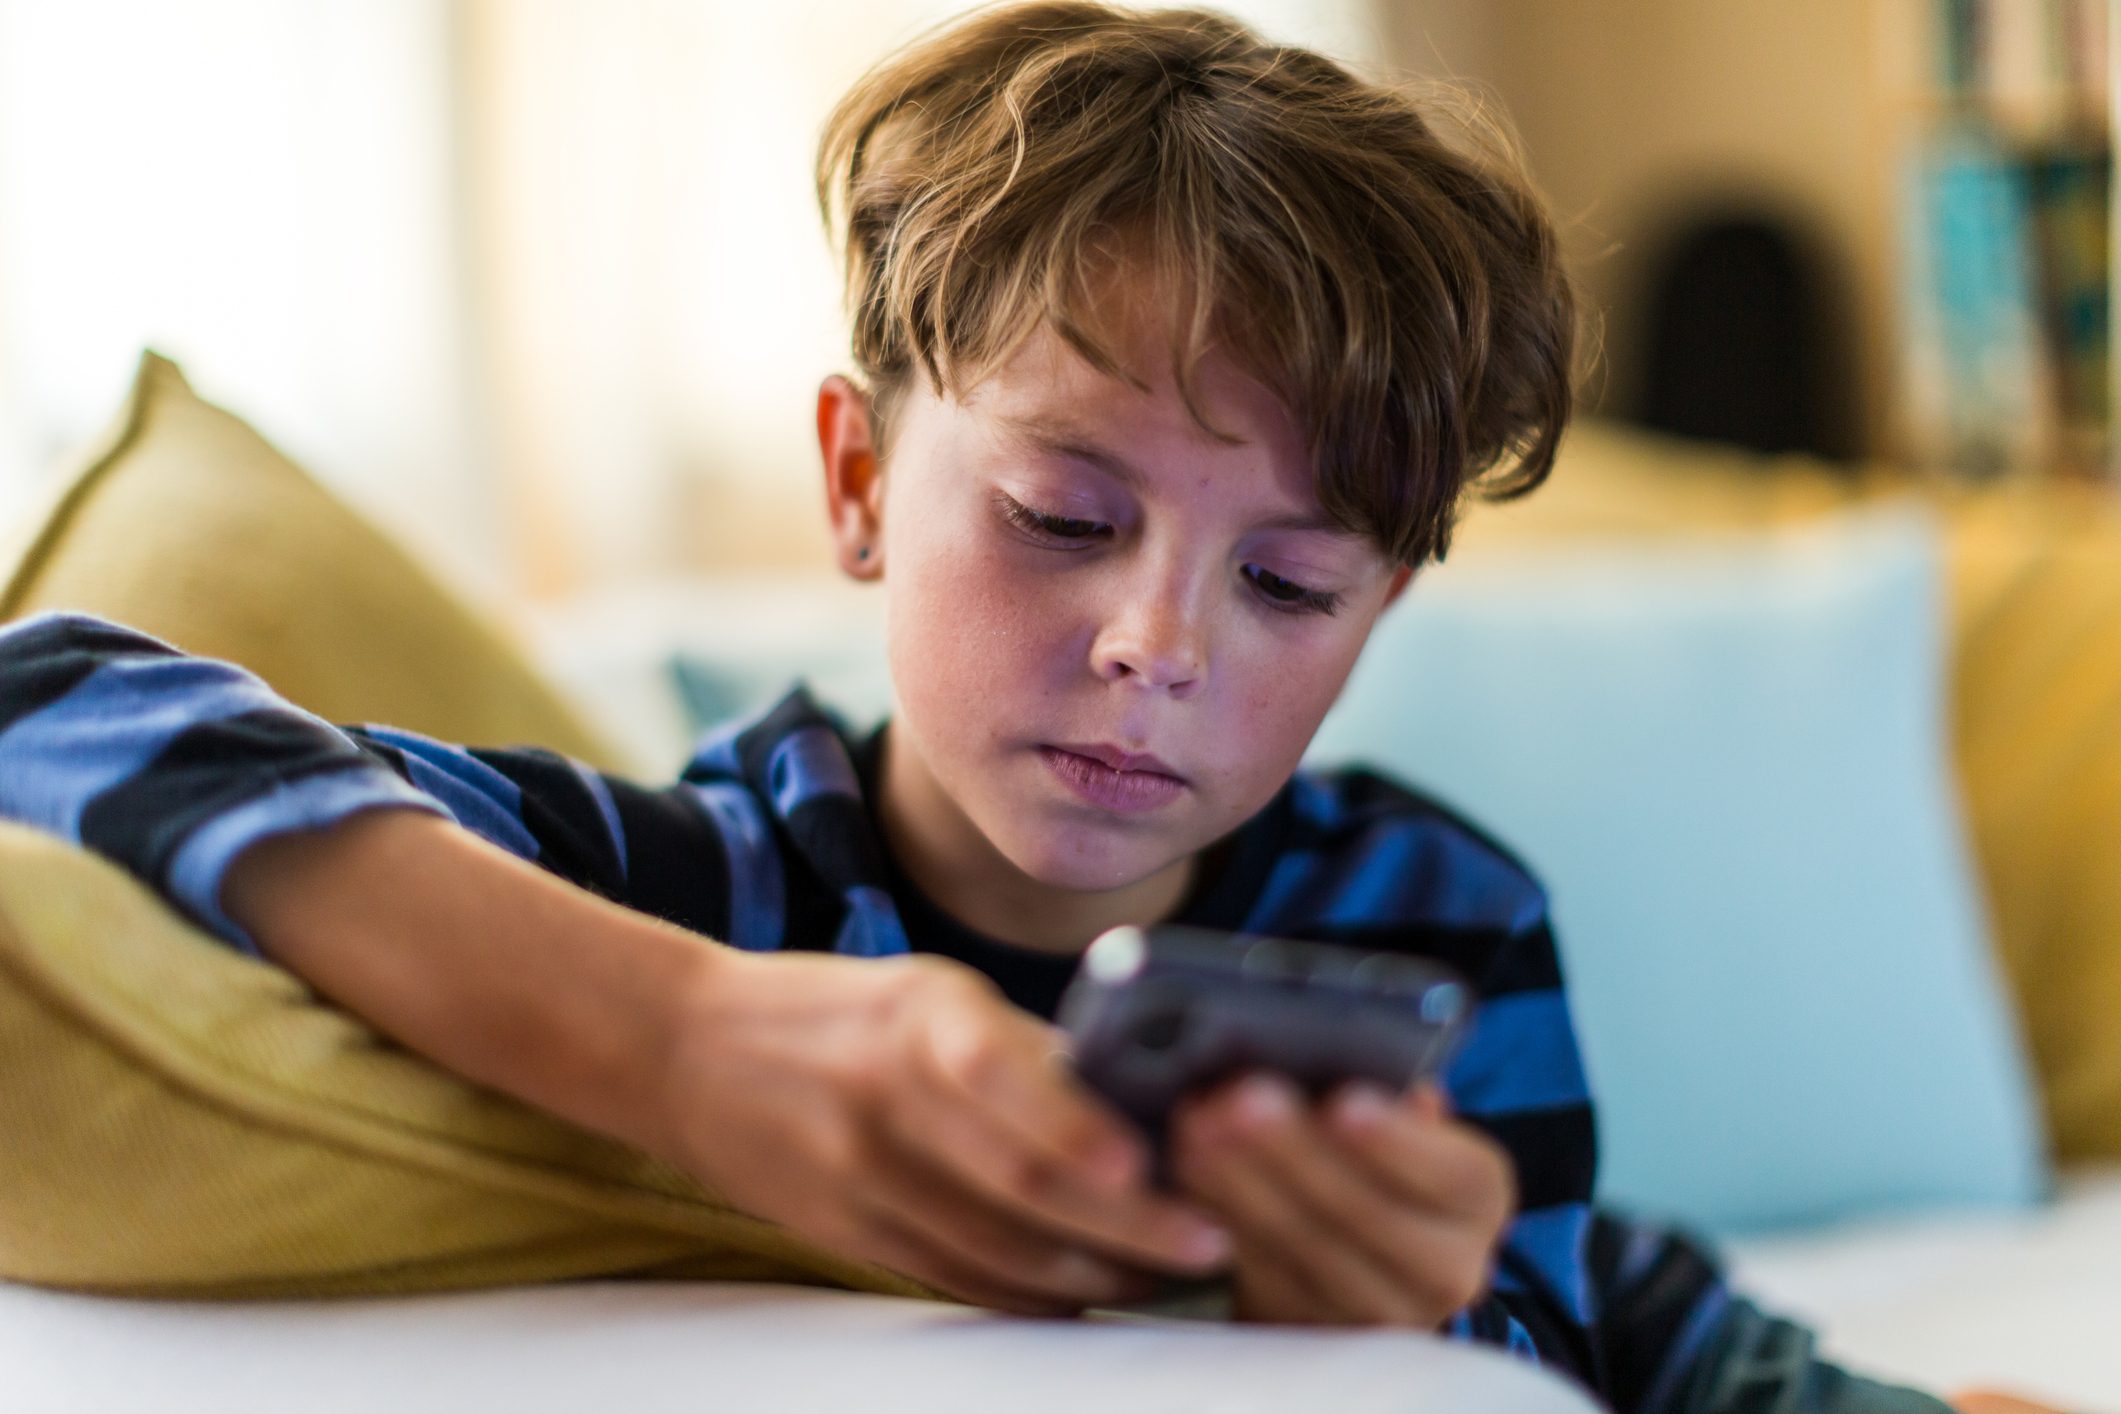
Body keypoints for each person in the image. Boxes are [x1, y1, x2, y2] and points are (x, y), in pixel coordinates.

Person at [0, 6, 2062, 1412]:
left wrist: (1441, 1309)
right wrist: (681, 1030)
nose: (1161, 639)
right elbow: (48, 688)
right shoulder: (704, 873)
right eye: (1066, 512)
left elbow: (1555, 1306)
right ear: (850, 484)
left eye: (1286, 578)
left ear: (1378, 611)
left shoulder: (1435, 905)